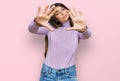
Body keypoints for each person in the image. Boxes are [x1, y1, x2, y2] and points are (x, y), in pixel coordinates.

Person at [28, 2, 91, 81]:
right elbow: (32, 29)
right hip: (48, 73)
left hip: (69, 74)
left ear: (67, 10)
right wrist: (36, 22)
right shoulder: (50, 28)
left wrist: (84, 29)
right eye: (57, 13)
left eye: (63, 9)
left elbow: (87, 36)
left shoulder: (76, 28)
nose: (62, 13)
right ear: (55, 18)